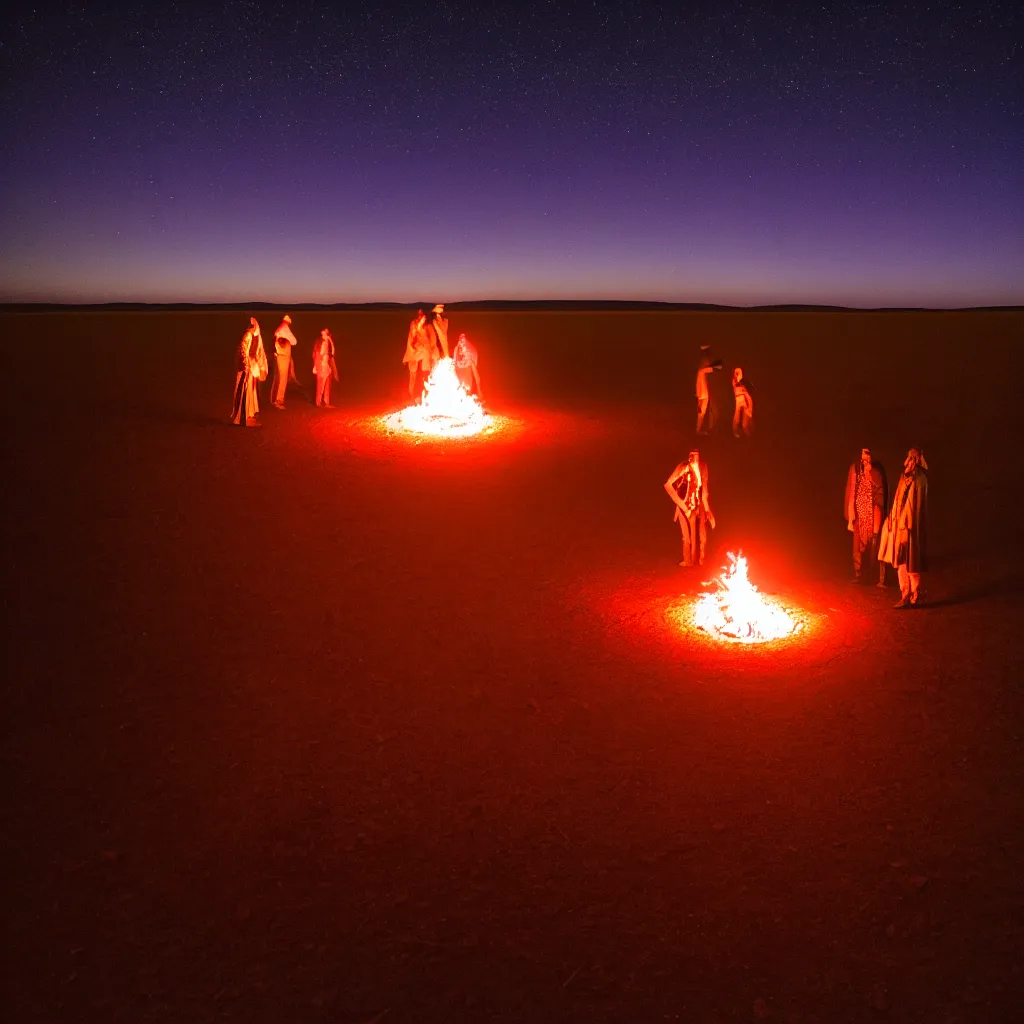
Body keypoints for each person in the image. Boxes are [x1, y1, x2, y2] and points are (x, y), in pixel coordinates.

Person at [879, 447, 929, 609]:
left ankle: (915, 594)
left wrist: (907, 524)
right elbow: (898, 501)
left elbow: (916, 506)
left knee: (911, 563)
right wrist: (892, 518)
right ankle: (905, 594)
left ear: (915, 460)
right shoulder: (904, 477)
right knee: (901, 561)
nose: (907, 460)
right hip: (899, 527)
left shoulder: (920, 479)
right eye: (907, 457)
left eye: (910, 458)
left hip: (909, 528)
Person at [664, 449, 716, 567]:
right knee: (687, 535)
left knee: (701, 533)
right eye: (693, 455)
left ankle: (701, 559)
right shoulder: (683, 467)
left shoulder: (703, 467)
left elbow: (704, 489)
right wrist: (683, 506)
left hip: (697, 504)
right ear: (689, 456)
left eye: (698, 454)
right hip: (684, 504)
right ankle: (688, 560)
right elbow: (668, 485)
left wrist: (707, 510)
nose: (696, 458)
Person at [844, 447, 888, 586]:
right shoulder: (855, 469)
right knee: (857, 544)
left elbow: (880, 490)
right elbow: (851, 490)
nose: (865, 457)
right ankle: (858, 574)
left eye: (868, 453)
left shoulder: (876, 470)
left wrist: (871, 473)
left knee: (873, 542)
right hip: (858, 512)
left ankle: (874, 574)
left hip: (872, 512)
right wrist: (850, 512)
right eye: (863, 453)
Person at [230, 325, 268, 426]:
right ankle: (243, 418)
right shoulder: (248, 336)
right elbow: (243, 351)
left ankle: (248, 415)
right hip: (246, 369)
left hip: (250, 368)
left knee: (250, 392)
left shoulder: (251, 336)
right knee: (244, 391)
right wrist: (246, 367)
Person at [403, 309, 436, 399]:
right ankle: (411, 395)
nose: (420, 316)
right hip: (414, 352)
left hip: (425, 352)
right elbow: (412, 337)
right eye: (419, 314)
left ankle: (426, 394)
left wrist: (430, 352)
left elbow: (432, 341)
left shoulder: (429, 327)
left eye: (422, 314)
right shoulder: (414, 324)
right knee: (413, 374)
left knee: (426, 373)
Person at [271, 314, 298, 409]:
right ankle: (278, 401)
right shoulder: (285, 329)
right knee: (283, 378)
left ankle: (274, 400)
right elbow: (294, 341)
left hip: (279, 355)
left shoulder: (278, 329)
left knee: (278, 378)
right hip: (283, 355)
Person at [695, 345, 723, 434]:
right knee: (702, 413)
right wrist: (716, 367)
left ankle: (700, 430)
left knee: (704, 412)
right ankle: (698, 430)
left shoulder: (701, 371)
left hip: (704, 394)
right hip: (703, 395)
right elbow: (707, 369)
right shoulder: (701, 371)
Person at [312, 328, 337, 408]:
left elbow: (332, 352)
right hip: (321, 364)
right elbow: (316, 353)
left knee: (327, 384)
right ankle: (318, 403)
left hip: (326, 365)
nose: (327, 332)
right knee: (320, 384)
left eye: (327, 331)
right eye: (325, 330)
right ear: (322, 332)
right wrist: (316, 365)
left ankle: (326, 402)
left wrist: (330, 340)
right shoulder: (319, 341)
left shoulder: (328, 342)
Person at [453, 333, 482, 398]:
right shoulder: (456, 362)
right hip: (457, 389)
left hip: (467, 389)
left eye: (462, 348)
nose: (460, 350)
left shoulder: (470, 361)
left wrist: (479, 391)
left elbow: (477, 377)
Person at [731, 367, 754, 436]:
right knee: (736, 417)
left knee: (747, 418)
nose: (737, 375)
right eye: (736, 374)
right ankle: (735, 432)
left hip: (744, 401)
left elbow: (748, 392)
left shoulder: (743, 383)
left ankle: (750, 433)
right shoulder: (734, 382)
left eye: (738, 373)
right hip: (738, 400)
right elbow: (736, 386)